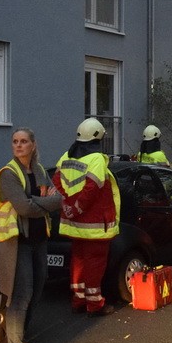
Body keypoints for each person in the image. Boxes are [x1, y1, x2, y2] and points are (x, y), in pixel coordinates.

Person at [0, 128, 62, 343]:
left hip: (38, 241)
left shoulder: (41, 171)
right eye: (15, 142)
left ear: (33, 145)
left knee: (37, 289)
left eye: (23, 141)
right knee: (20, 295)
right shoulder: (8, 174)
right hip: (16, 243)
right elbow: (22, 208)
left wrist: (36, 203)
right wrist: (43, 204)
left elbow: (59, 199)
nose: (18, 145)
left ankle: (19, 342)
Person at [53, 118, 121, 317]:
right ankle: (95, 304)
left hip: (73, 224)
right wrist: (77, 208)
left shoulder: (66, 156)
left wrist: (66, 206)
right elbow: (92, 189)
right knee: (95, 263)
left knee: (79, 261)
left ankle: (78, 299)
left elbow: (56, 181)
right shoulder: (97, 159)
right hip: (94, 223)